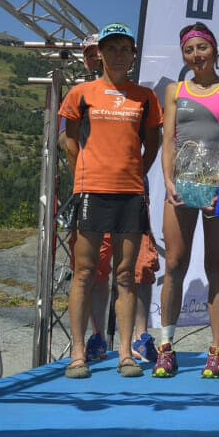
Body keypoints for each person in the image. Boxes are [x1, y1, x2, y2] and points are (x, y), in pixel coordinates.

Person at [59, 23, 163, 378]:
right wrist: (83, 174)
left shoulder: (145, 97)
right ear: (99, 53)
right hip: (91, 192)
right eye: (111, 48)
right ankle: (78, 353)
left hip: (130, 193)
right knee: (85, 272)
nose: (118, 55)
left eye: (125, 49)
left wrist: (136, 171)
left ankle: (126, 355)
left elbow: (154, 141)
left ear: (133, 56)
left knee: (125, 276)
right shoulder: (81, 93)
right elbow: (69, 141)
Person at [154, 23, 219, 379]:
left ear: (214, 50)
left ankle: (216, 351)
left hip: (218, 188)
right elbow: (169, 139)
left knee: (215, 265)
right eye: (189, 50)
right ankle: (165, 348)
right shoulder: (175, 90)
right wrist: (169, 182)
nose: (196, 55)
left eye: (202, 48)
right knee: (174, 264)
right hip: (182, 187)